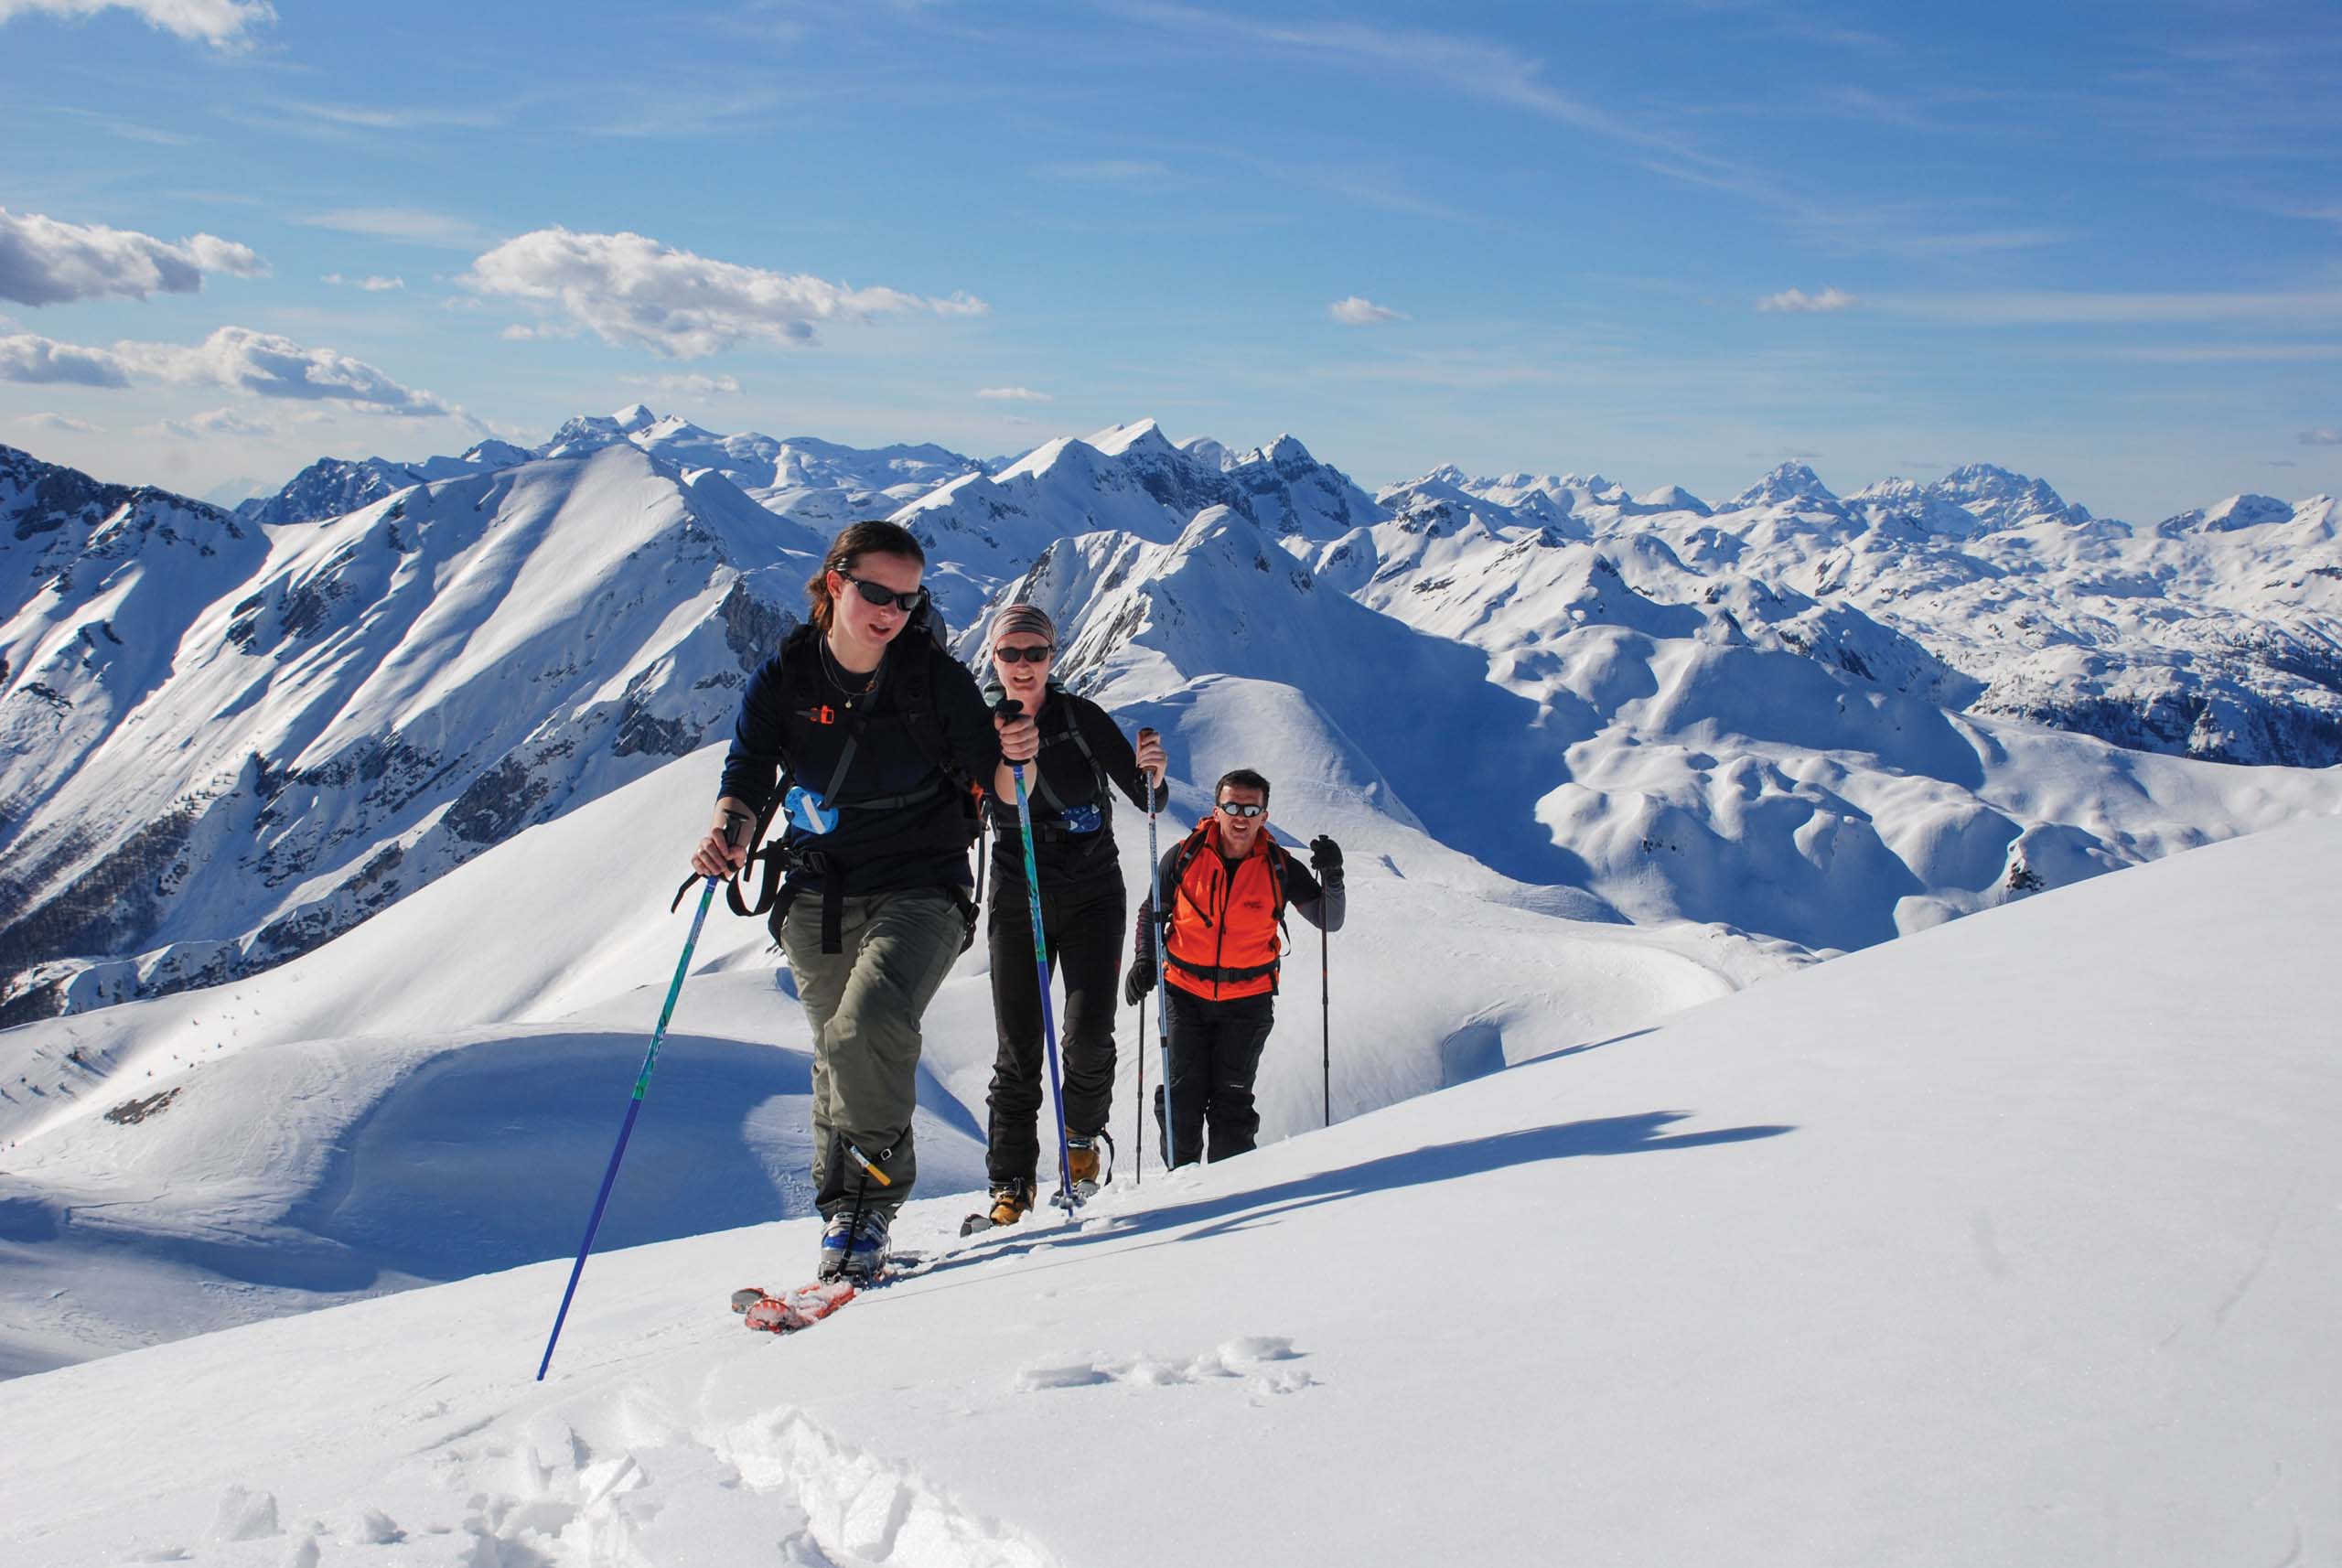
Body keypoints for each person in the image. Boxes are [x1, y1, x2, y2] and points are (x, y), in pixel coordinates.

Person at [692, 520, 1004, 1283]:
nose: (892, 611)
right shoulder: (787, 678)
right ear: (836, 582)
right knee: (836, 1048)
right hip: (818, 892)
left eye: (907, 598)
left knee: (867, 1028)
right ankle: (842, 1216)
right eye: (876, 592)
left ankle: (869, 1209)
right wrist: (728, 832)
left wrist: (1017, 763)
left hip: (925, 884)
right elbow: (749, 769)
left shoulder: (933, 679)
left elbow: (996, 777)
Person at [978, 603, 1168, 1228]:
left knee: (1088, 1035)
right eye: (1012, 653)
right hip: (1018, 896)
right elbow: (980, 804)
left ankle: (1081, 1142)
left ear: (1053, 658)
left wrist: (1154, 777)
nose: (1025, 665)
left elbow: (1145, 795)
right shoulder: (982, 730)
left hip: (1091, 892)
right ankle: (1011, 1185)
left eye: (1036, 653)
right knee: (1019, 1049)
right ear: (995, 657)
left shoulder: (1080, 719)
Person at [1122, 768, 1344, 1167]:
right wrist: (1145, 960)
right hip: (1183, 994)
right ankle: (1180, 1188)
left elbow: (1329, 919)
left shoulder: (1280, 867)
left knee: (1232, 1105)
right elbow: (1152, 911)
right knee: (1180, 1102)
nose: (1240, 817)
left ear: (1264, 815)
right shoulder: (1185, 855)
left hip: (1248, 1002)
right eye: (1232, 806)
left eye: (1250, 808)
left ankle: (1233, 1190)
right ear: (1217, 809)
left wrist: (1333, 877)